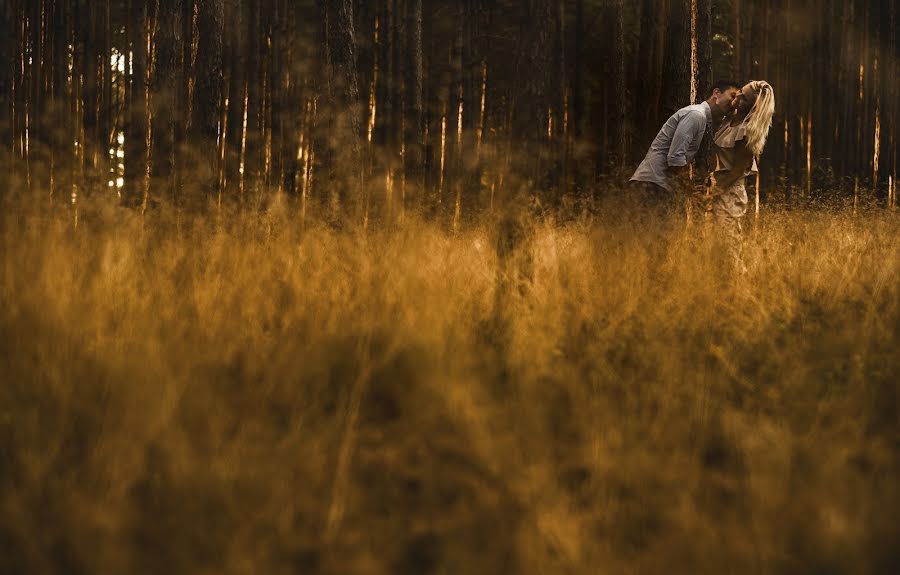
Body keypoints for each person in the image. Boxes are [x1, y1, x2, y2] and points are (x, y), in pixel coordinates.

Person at [703, 80, 775, 274]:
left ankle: (737, 288)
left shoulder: (746, 131)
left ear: (753, 107)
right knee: (711, 244)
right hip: (717, 185)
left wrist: (712, 193)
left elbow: (738, 171)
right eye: (740, 92)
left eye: (745, 99)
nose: (738, 97)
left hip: (730, 192)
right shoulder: (730, 118)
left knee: (727, 246)